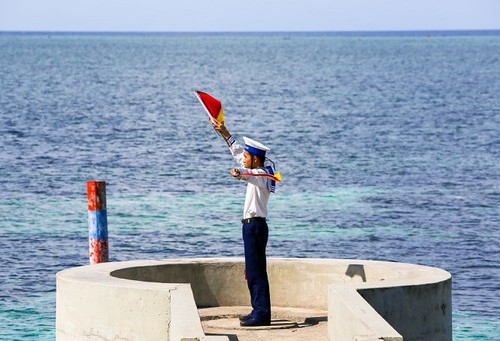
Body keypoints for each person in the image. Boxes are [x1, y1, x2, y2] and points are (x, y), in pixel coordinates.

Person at [213, 119, 276, 327]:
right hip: (250, 226)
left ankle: (262, 314)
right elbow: (239, 153)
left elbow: (250, 174)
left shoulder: (262, 175)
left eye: (248, 158)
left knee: (257, 270)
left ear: (256, 160)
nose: (243, 159)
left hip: (256, 226)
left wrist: (240, 174)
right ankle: (257, 309)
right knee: (252, 270)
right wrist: (225, 133)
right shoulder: (258, 169)